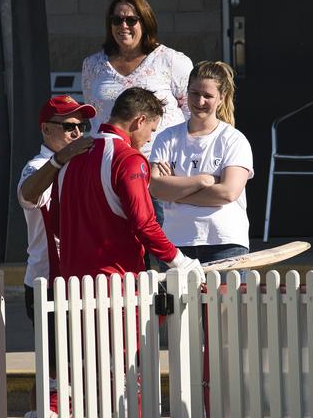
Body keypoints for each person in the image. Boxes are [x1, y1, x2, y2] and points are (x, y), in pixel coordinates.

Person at [15, 94, 95, 418]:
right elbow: (29, 194)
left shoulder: (82, 162)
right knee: (53, 369)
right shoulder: (38, 164)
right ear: (47, 129)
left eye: (82, 126)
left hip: (80, 282)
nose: (78, 133)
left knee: (71, 368)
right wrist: (60, 159)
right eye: (69, 126)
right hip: (47, 283)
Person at [50, 86, 203, 280]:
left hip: (72, 284)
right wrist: (180, 261)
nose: (149, 140)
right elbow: (145, 223)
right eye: (151, 130)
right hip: (117, 282)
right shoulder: (128, 159)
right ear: (140, 121)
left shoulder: (70, 156)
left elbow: (57, 224)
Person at [82, 0, 193, 243]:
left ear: (145, 22)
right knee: (122, 246)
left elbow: (192, 112)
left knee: (164, 243)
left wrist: (181, 158)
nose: (123, 26)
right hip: (111, 172)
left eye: (131, 19)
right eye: (116, 20)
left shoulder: (171, 61)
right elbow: (96, 118)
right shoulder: (92, 65)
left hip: (160, 171)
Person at [149, 61, 254, 265]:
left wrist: (176, 190)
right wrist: (204, 180)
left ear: (221, 98)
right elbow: (156, 188)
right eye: (194, 93)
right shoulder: (166, 137)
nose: (200, 101)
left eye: (208, 96)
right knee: (178, 299)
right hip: (176, 243)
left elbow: (227, 193)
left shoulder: (234, 139)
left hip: (224, 241)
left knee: (224, 299)